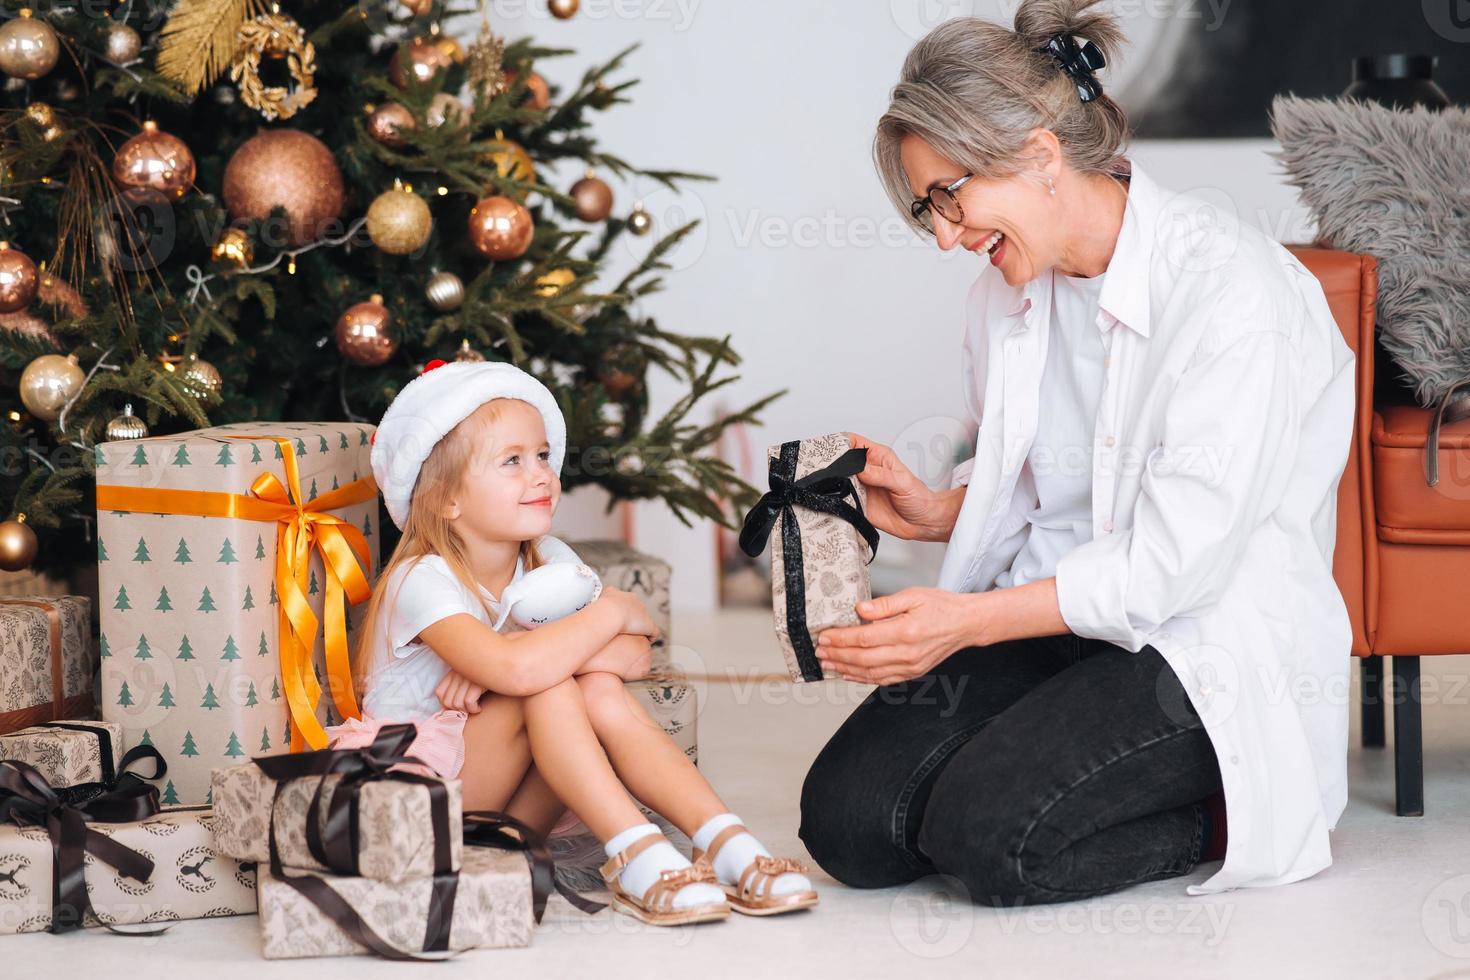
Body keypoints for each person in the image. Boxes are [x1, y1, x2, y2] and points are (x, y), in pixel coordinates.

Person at [798, 0, 1356, 905]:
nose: (943, 234)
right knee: (849, 826)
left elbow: (1171, 569)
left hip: (1194, 647)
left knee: (990, 842)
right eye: (924, 208)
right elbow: (1050, 480)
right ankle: (1037, 777)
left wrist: (963, 622)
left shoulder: (1231, 293)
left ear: (1038, 154)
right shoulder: (1005, 296)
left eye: (949, 197)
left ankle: (1224, 812)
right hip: (1056, 624)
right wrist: (945, 511)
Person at [330, 359, 818, 925]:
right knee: (549, 684)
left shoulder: (550, 561)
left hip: (510, 815)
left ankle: (724, 840)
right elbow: (525, 672)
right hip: (420, 805)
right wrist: (607, 612)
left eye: (541, 455)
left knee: (595, 688)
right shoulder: (424, 579)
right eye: (511, 461)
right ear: (444, 499)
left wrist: (524, 653)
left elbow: (638, 652)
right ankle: (636, 855)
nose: (541, 474)